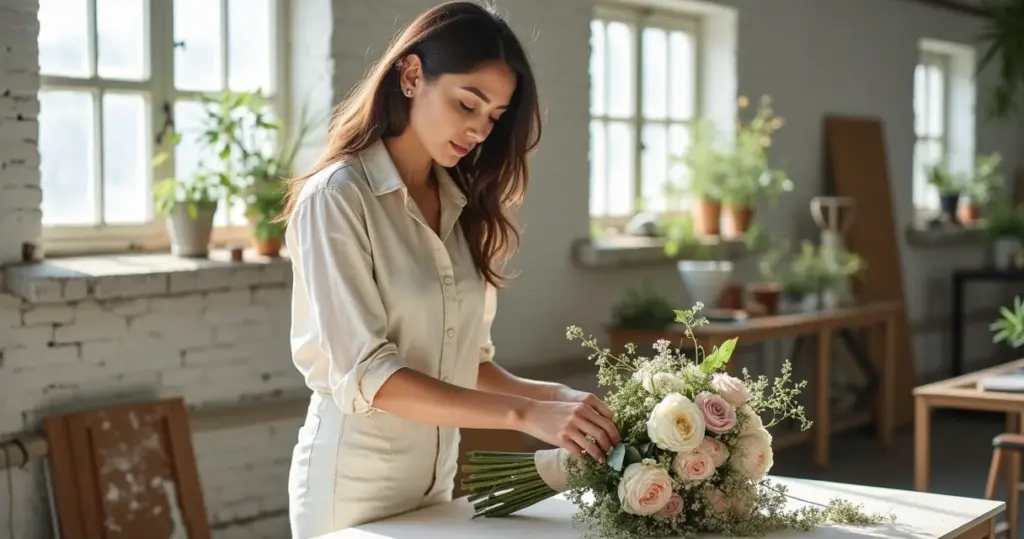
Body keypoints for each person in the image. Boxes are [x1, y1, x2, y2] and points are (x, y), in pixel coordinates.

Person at [277, 2, 621, 537]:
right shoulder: (338, 199)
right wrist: (525, 417)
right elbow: (370, 376)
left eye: (494, 117)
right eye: (468, 104)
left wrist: (552, 398)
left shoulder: (461, 205)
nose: (479, 131)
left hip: (437, 488)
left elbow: (462, 362)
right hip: (350, 492)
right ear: (412, 76)